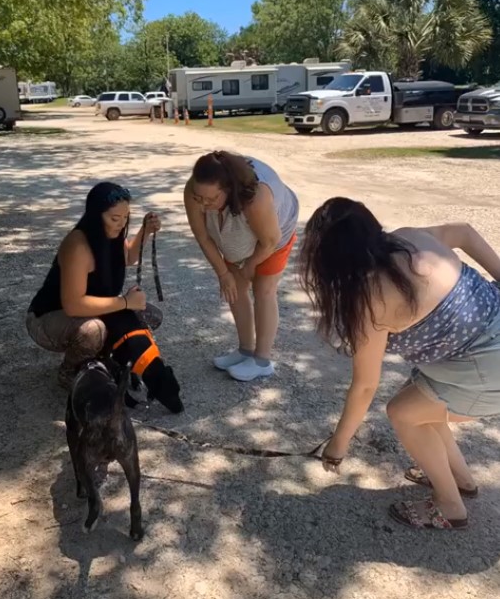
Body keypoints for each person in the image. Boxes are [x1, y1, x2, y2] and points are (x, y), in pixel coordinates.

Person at [298, 196, 500, 530]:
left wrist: (337, 445)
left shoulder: (368, 299)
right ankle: (460, 478)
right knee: (420, 398)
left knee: (403, 413)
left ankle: (450, 505)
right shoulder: (411, 238)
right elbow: (463, 232)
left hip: (488, 368)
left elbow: (365, 386)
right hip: (485, 345)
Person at [26, 182, 160, 389]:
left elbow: (130, 257)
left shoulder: (111, 235)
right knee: (93, 330)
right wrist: (124, 302)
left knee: (149, 315)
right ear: (96, 215)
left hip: (86, 310)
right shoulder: (78, 245)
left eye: (126, 218)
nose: (121, 224)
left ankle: (102, 359)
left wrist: (145, 231)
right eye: (115, 218)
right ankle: (70, 372)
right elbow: (73, 305)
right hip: (48, 318)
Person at [184, 151, 299, 381]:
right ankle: (245, 350)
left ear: (229, 189)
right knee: (234, 285)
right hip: (238, 225)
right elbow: (204, 237)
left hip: (275, 233)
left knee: (263, 289)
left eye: (211, 199)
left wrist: (250, 266)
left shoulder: (256, 198)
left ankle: (262, 360)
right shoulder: (195, 191)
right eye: (199, 199)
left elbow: (269, 241)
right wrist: (224, 273)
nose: (204, 206)